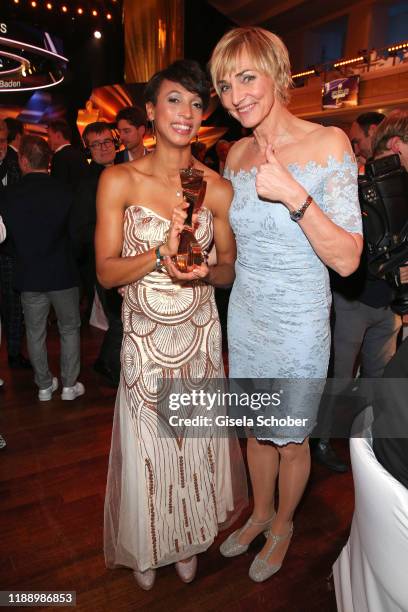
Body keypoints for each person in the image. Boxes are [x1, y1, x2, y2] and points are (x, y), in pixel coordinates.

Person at [209, 26, 363, 582]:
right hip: (247, 315)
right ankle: (260, 512)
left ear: (277, 73)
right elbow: (235, 246)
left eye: (247, 77)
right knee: (254, 430)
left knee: (291, 436)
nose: (235, 95)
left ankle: (283, 527)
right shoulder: (236, 154)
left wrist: (294, 194)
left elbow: (347, 259)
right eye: (225, 85)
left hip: (299, 321)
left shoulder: (329, 144)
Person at [97, 59, 247, 591]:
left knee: (197, 442)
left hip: (200, 335)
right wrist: (159, 255)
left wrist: (209, 270)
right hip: (146, 339)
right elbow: (107, 270)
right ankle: (149, 540)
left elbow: (229, 269)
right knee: (148, 445)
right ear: (151, 111)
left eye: (195, 102)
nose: (185, 111)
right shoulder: (119, 180)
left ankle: (186, 537)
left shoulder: (218, 189)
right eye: (174, 100)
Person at [316, 112, 405, 472]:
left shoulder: (400, 184)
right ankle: (321, 441)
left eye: (357, 140)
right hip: (353, 300)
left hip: (389, 306)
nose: (355, 147)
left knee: (376, 381)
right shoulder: (354, 184)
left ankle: (365, 447)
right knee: (337, 378)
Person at [1, 135, 84, 401]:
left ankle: (44, 386)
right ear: (48, 161)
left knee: (34, 333)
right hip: (63, 273)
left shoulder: (7, 195)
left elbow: (5, 240)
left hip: (29, 273)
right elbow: (77, 236)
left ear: (23, 161)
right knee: (69, 329)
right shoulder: (66, 191)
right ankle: (70, 386)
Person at [70, 121, 122, 384]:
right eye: (96, 144)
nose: (103, 148)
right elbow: (79, 231)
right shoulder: (87, 184)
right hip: (104, 262)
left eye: (107, 141)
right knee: (120, 319)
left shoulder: (125, 171)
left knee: (122, 318)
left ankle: (104, 361)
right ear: (88, 149)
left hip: (127, 259)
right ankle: (110, 368)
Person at [0, 118, 30, 370]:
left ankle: (13, 352)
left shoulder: (15, 164)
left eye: (2, 140)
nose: (1, 145)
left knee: (13, 303)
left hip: (11, 247)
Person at [48, 119, 89, 190]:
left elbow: (57, 187)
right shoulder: (80, 154)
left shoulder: (59, 157)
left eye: (49, 136)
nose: (48, 140)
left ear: (58, 136)